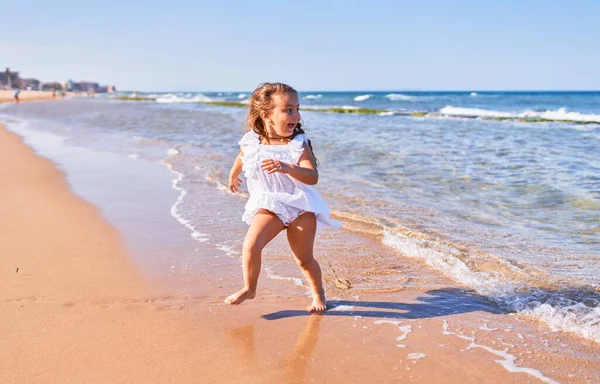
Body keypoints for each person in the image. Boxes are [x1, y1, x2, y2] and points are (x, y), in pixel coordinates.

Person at [226, 82, 340, 313]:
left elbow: (312, 176)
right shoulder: (252, 140)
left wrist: (288, 168)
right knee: (250, 246)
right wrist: (233, 174)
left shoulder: (298, 144)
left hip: (300, 206)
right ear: (267, 114)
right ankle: (250, 288)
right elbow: (242, 156)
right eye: (288, 109)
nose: (295, 115)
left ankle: (318, 294)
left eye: (297, 109)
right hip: (270, 204)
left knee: (304, 259)